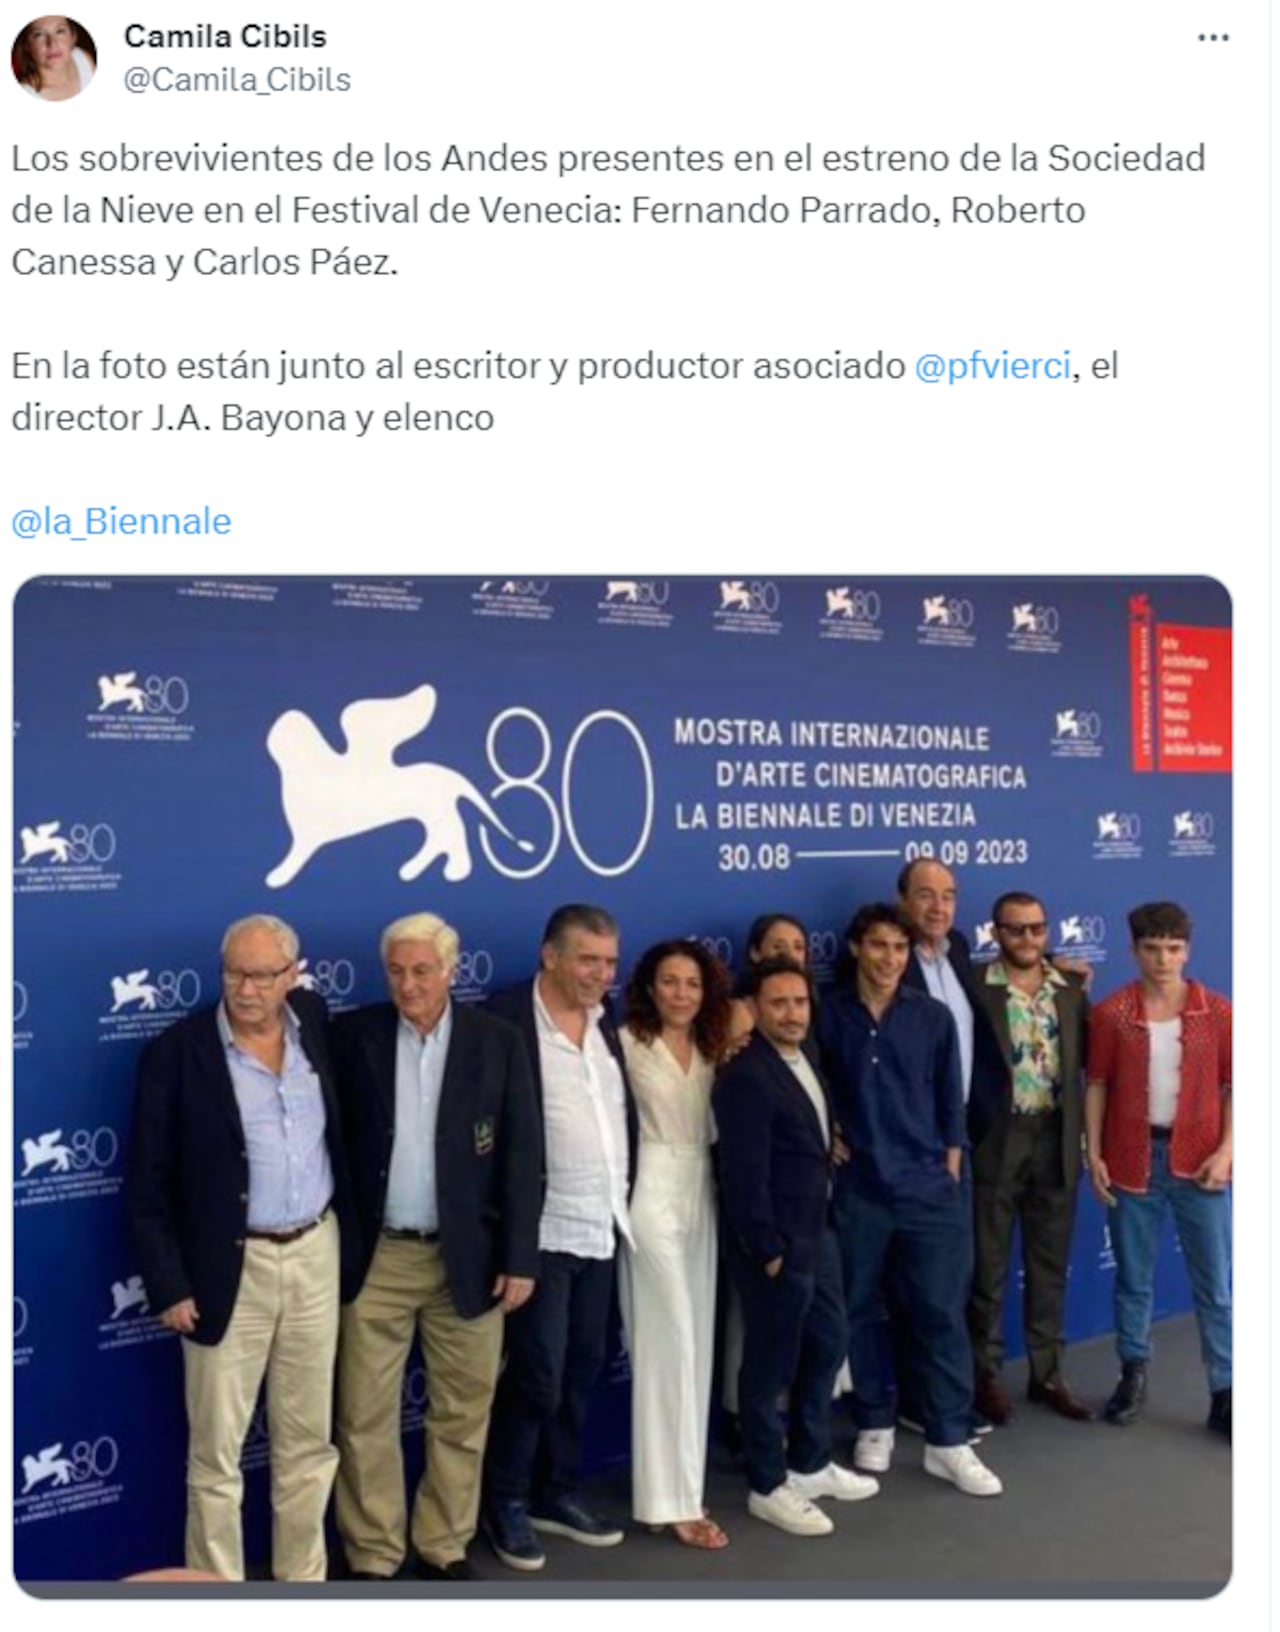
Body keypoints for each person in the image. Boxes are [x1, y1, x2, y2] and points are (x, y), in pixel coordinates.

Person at [126, 914, 354, 1581]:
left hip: (316, 1250)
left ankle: (301, 1591)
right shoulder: (178, 1054)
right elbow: (147, 1183)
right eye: (234, 973)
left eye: (262, 975)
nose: (246, 989)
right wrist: (169, 1285)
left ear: (293, 975)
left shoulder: (313, 1020)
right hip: (229, 1267)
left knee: (308, 1446)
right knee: (217, 1458)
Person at [332, 912, 542, 1581]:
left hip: (471, 1258)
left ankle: (444, 1543)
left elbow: (521, 1154)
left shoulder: (497, 1041)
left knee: (463, 1409)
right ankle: (373, 1552)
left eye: (422, 970)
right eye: (396, 970)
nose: (408, 983)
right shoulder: (352, 1034)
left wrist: (519, 1256)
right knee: (364, 1414)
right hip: (380, 1258)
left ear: (452, 970)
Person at [818, 904, 1003, 1497]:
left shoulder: (933, 1017)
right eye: (878, 946)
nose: (890, 958)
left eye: (899, 948)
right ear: (855, 949)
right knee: (860, 1308)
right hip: (859, 1190)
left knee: (939, 1313)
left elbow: (952, 1096)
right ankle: (874, 1420)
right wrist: (830, 1136)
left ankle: (948, 1440)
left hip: (928, 1188)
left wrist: (950, 1159)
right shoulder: (827, 1014)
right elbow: (808, 1081)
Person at [481, 905, 637, 1571]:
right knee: (537, 1376)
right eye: (587, 960)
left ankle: (557, 1490)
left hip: (602, 1227)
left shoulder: (610, 1022)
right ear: (550, 956)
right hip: (537, 1234)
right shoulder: (503, 1019)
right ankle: (506, 1500)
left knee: (581, 1370)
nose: (600, 974)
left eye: (608, 962)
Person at [713, 956, 878, 1537]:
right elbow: (741, 1173)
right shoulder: (744, 1076)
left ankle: (808, 1461)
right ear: (754, 1009)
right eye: (778, 1003)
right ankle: (766, 1483)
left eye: (800, 1002)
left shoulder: (805, 1054)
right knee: (767, 1364)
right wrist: (767, 1248)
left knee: (830, 1341)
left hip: (819, 1231)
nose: (791, 1014)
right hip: (777, 1244)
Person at [1085, 902, 1232, 1438]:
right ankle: (1133, 1374)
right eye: (1152, 948)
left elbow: (1234, 1086)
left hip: (1201, 1163)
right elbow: (1097, 1084)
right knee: (1133, 1280)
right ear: (1134, 950)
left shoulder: (1216, 1012)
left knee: (1215, 1285)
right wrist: (1093, 1152)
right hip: (1133, 1157)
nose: (1163, 958)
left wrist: (1229, 1150)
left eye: (1173, 948)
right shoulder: (1112, 1014)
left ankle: (1226, 1390)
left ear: (1187, 951)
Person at [618, 939, 732, 1549]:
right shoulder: (626, 1045)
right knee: (671, 1345)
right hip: (650, 1196)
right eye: (669, 982)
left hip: (702, 1193)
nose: (681, 993)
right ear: (649, 986)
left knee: (696, 1350)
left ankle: (682, 1488)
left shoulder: (717, 1044)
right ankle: (671, 1500)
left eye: (692, 983)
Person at [969, 892, 1092, 1424]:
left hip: (1056, 1136)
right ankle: (986, 1377)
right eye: (1015, 930)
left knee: (1048, 1266)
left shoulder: (1070, 989)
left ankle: (1047, 1374)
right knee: (988, 1266)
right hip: (999, 1135)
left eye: (1036, 929)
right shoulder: (974, 987)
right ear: (995, 933)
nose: (1027, 939)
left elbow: (1086, 1067)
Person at [726, 913, 811, 1047]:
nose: (789, 955)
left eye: (798, 947)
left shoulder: (814, 1008)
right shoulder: (738, 1013)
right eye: (778, 947)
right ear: (755, 953)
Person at [14, 15, 95, 99]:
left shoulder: (81, 58)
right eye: (39, 35)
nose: (52, 44)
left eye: (60, 31)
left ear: (73, 37)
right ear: (27, 45)